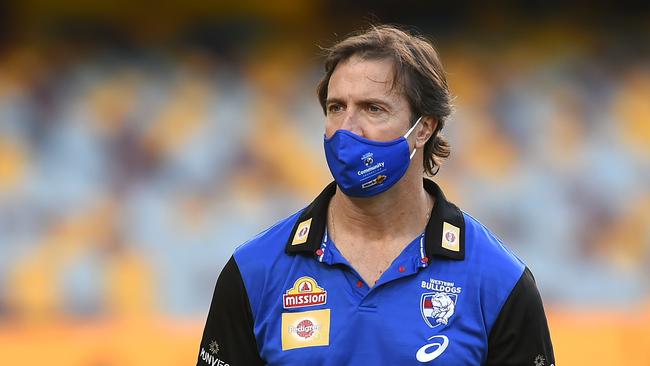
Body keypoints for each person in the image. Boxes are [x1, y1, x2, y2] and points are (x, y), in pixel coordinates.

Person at [197, 25, 555, 366]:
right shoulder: (254, 270)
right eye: (336, 107)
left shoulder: (499, 281)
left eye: (373, 108)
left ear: (424, 128)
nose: (346, 129)